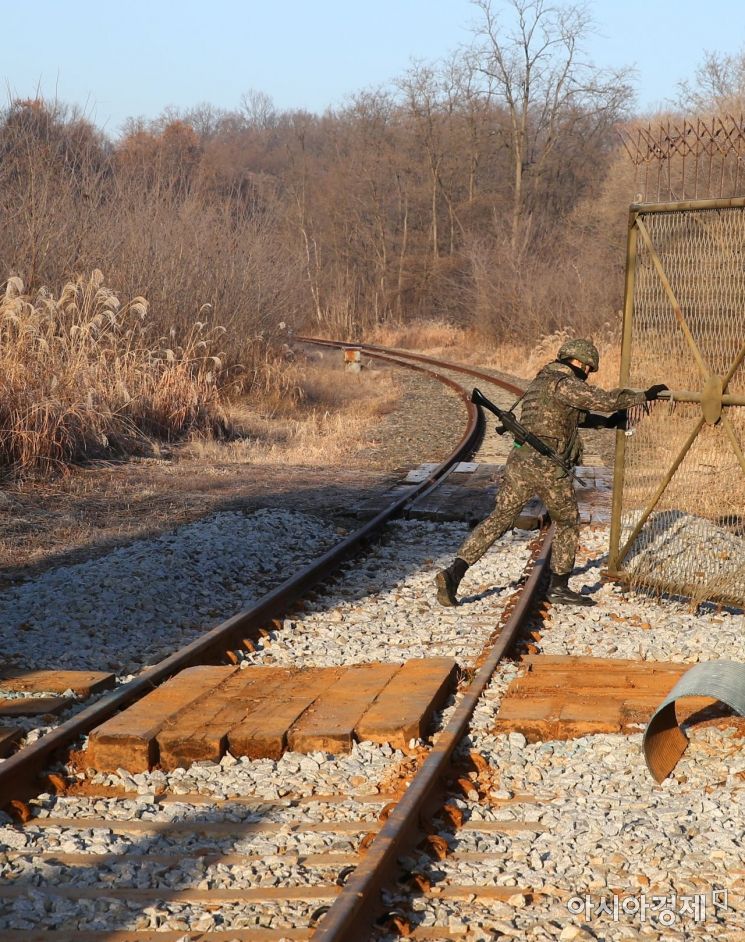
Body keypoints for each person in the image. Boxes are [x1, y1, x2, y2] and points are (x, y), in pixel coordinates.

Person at [435, 339, 668, 607]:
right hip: (547, 466)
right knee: (568, 521)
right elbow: (603, 400)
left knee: (500, 518)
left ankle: (454, 574)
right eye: (589, 368)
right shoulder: (565, 383)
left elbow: (574, 417)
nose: (588, 374)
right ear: (578, 362)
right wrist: (644, 396)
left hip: (520, 462)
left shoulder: (540, 383)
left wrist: (606, 423)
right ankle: (559, 587)